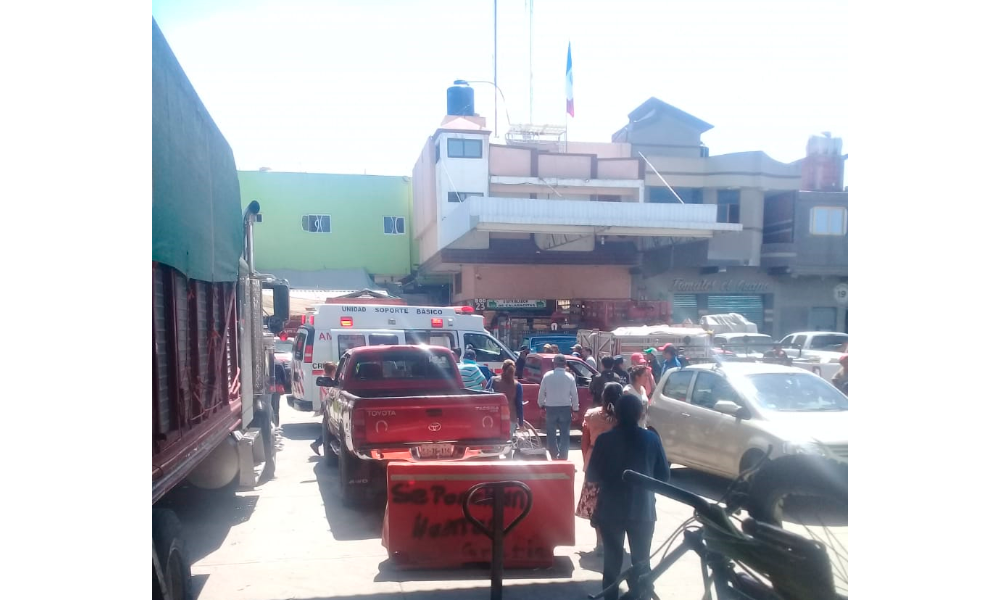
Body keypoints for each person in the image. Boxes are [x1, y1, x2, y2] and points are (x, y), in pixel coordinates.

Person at [586, 393, 671, 600]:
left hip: (611, 510)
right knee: (642, 564)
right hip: (643, 509)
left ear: (615, 414)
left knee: (612, 563)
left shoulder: (605, 440)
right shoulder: (652, 439)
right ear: (640, 413)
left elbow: (592, 475)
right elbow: (664, 476)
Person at [577, 383, 624, 555]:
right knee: (617, 503)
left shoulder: (591, 415)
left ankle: (600, 543)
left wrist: (586, 462)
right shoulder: (623, 418)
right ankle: (615, 542)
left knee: (596, 505)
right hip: (618, 465)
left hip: (594, 463)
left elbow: (584, 443)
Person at [538, 354, 579, 460]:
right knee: (564, 434)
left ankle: (553, 455)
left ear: (554, 363)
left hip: (550, 408)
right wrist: (575, 409)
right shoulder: (570, 377)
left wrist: (541, 406)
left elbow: (542, 392)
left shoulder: (547, 376)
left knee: (551, 433)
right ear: (565, 364)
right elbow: (574, 394)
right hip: (565, 408)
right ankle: (563, 457)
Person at [310, 362, 338, 456]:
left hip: (326, 404)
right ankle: (318, 444)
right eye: (335, 370)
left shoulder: (324, 379)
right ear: (332, 370)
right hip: (328, 405)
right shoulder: (328, 380)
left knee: (327, 428)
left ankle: (317, 444)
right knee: (328, 428)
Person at [492, 359, 525, 438]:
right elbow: (519, 405)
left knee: (494, 442)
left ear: (502, 369)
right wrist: (521, 423)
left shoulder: (493, 381)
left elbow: (486, 396)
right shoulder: (517, 385)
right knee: (507, 441)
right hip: (511, 418)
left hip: (494, 417)